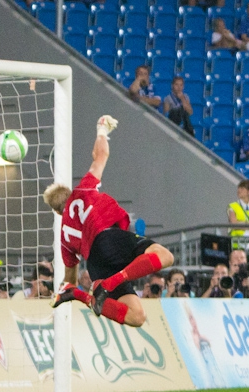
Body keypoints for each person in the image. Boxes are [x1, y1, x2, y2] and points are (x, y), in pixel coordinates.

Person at [44, 115, 175, 327]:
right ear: (69, 193)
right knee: (165, 256)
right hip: (108, 238)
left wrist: (67, 289)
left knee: (136, 316)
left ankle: (83, 296)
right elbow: (101, 155)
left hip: (95, 265)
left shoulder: (64, 237)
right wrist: (102, 129)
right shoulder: (83, 189)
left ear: (58, 212)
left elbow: (70, 280)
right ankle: (111, 283)